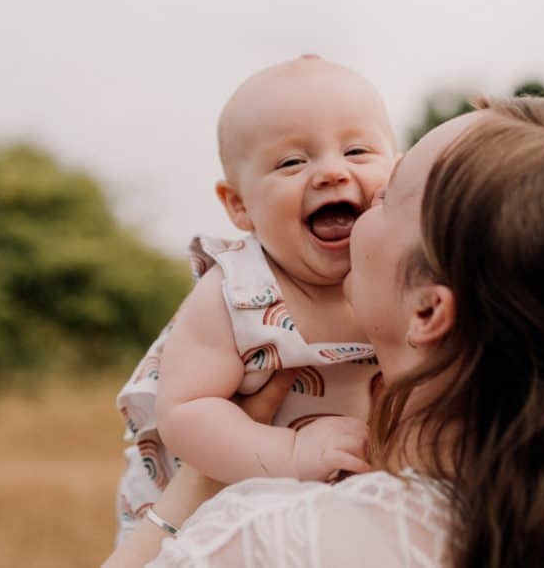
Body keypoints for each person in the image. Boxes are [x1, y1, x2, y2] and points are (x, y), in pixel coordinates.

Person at [104, 95, 544, 567]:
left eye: (387, 193)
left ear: (427, 312)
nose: (352, 191)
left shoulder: (274, 540)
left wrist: (191, 492)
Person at [113, 55, 396, 542]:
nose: (331, 172)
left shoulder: (406, 272)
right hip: (205, 511)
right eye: (292, 162)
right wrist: (289, 455)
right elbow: (188, 410)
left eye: (356, 151)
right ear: (239, 204)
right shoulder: (238, 291)